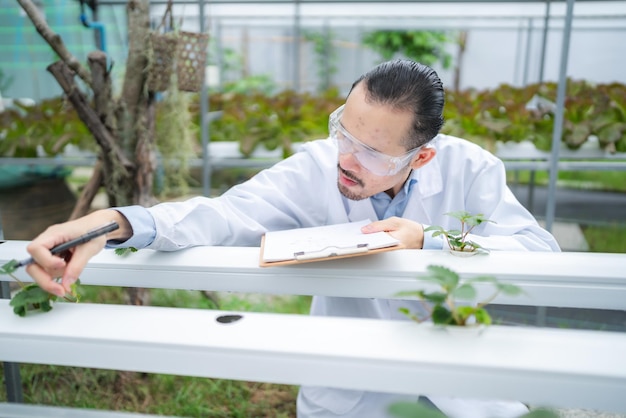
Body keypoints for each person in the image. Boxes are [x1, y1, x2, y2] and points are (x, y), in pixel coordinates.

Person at [25, 59, 560, 418]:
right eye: (342, 131)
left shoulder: (472, 169)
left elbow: (539, 252)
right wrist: (110, 224)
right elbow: (223, 214)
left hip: (460, 383)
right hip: (351, 382)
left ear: (421, 157)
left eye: (372, 153)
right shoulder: (316, 165)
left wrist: (429, 240)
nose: (346, 160)